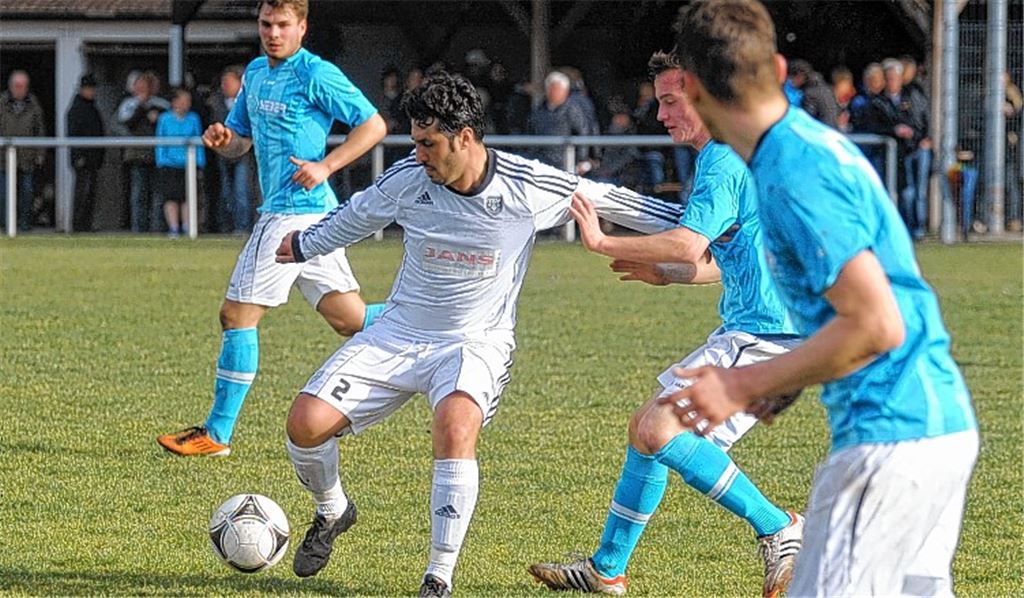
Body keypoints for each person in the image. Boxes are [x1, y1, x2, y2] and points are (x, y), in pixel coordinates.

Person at [273, 70, 686, 598]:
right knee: (305, 424)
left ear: (464, 137)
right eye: (416, 143)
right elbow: (355, 216)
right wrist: (305, 245)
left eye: (429, 144)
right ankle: (332, 511)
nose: (419, 155)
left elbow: (613, 201)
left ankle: (437, 577)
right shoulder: (410, 179)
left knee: (455, 425)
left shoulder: (528, 187)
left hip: (476, 341)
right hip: (400, 330)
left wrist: (697, 224)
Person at [669, 1, 978, 594]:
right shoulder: (807, 144)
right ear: (780, 69)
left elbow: (874, 325)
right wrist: (785, 382)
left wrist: (741, 385)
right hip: (937, 423)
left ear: (698, 92)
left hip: (888, 438)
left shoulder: (792, 171)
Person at [527, 50, 804, 598]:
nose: (661, 115)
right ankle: (606, 568)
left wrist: (603, 239)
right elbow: (723, 259)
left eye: (671, 101)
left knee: (658, 428)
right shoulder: (737, 153)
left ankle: (780, 528)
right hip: (769, 332)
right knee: (646, 431)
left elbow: (687, 241)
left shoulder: (722, 159)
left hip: (770, 337)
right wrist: (672, 277)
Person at [156, 0, 388, 457]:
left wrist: (326, 164)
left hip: (292, 212)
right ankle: (429, 322)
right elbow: (239, 141)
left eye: (283, 24)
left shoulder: (315, 74)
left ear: (302, 27)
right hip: (313, 215)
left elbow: (374, 124)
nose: (273, 32)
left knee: (236, 314)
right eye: (266, 24)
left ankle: (216, 434)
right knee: (350, 319)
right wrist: (225, 142)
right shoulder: (257, 74)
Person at [117, 71, 169, 232]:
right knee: (138, 195)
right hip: (136, 156)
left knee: (158, 195)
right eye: (138, 84)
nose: (142, 88)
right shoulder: (128, 105)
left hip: (158, 156)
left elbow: (167, 125)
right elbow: (126, 125)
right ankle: (138, 228)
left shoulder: (161, 104)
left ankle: (157, 228)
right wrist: (142, 108)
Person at [207, 65, 255, 234]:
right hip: (223, 154)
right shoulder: (215, 103)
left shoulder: (249, 102)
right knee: (227, 193)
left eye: (228, 82)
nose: (224, 86)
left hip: (243, 154)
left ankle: (243, 227)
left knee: (242, 191)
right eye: (223, 82)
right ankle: (228, 226)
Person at [155, 87, 206, 238]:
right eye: (183, 100)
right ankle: (174, 227)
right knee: (171, 197)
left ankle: (187, 226)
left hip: (188, 164)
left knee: (187, 197)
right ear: (175, 101)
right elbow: (160, 141)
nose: (186, 104)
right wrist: (162, 161)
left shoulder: (194, 118)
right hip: (169, 165)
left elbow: (198, 139)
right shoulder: (164, 118)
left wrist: (200, 161)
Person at [0, 70, 46, 232]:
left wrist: (40, 154)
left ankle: (24, 225)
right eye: (17, 86)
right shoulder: (1, 103)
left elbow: (40, 131)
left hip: (27, 159)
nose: (20, 89)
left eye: (23, 86)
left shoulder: (34, 104)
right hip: (3, 160)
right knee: (4, 195)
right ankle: (6, 226)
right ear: (10, 86)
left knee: (27, 194)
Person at [67, 74, 106, 233]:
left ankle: (86, 225)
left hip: (93, 159)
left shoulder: (91, 108)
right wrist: (78, 157)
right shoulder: (77, 109)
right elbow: (73, 134)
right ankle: (78, 226)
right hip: (83, 160)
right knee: (82, 193)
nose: (92, 92)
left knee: (90, 194)